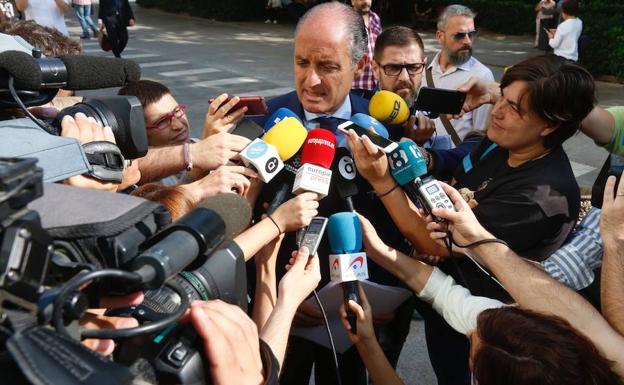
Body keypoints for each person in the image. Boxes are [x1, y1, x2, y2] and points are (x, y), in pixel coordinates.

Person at [345, 54, 595, 385]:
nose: (498, 112)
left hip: (479, 328)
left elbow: (433, 240)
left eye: (515, 108)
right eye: (500, 97)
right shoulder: (501, 141)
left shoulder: (541, 198)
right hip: (439, 297)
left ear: (550, 125)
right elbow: (454, 188)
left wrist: (381, 181)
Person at [256, 3, 414, 385]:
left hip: (358, 313)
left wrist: (373, 295)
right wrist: (279, 293)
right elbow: (253, 219)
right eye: (301, 63)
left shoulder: (381, 127)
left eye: (327, 66)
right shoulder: (267, 120)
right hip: (284, 309)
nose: (310, 81)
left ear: (359, 67)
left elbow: (393, 220)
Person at [337, 183, 624, 385]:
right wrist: (379, 250)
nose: (470, 331)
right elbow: (440, 291)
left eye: (472, 347)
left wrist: (368, 345)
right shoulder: (500, 334)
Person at [423, 4, 494, 144]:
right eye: (460, 35)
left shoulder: (482, 76)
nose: (467, 41)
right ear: (440, 36)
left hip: (457, 162)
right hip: (423, 158)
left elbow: (480, 136)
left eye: (471, 34)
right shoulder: (423, 71)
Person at [351, 0, 381, 92]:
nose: (365, 1)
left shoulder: (375, 18)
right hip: (355, 86)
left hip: (375, 84)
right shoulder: (346, 20)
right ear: (352, 1)